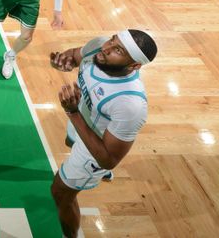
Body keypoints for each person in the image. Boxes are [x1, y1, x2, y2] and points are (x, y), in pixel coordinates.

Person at [49, 29, 158, 238]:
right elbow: (74, 55)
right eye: (113, 40)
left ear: (134, 65)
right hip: (82, 120)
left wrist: (72, 112)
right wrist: (64, 61)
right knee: (69, 142)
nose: (106, 48)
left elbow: (108, 159)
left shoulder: (130, 105)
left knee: (60, 192)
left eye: (118, 50)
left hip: (96, 147)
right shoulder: (99, 48)